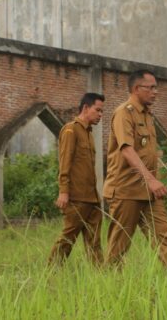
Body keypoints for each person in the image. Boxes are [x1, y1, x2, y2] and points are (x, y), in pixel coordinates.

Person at [103, 70, 167, 267]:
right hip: (126, 190)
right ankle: (110, 287)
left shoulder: (147, 115)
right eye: (151, 87)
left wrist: (152, 181)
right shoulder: (123, 113)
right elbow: (127, 150)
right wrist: (151, 180)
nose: (155, 92)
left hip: (149, 193)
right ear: (137, 89)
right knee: (118, 247)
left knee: (165, 238)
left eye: (156, 87)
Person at [48, 92, 106, 266]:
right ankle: (51, 273)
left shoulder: (88, 133)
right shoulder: (70, 130)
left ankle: (100, 277)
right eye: (98, 110)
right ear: (86, 108)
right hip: (76, 198)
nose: (100, 115)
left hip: (92, 198)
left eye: (102, 111)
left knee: (94, 241)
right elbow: (65, 163)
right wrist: (63, 192)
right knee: (68, 238)